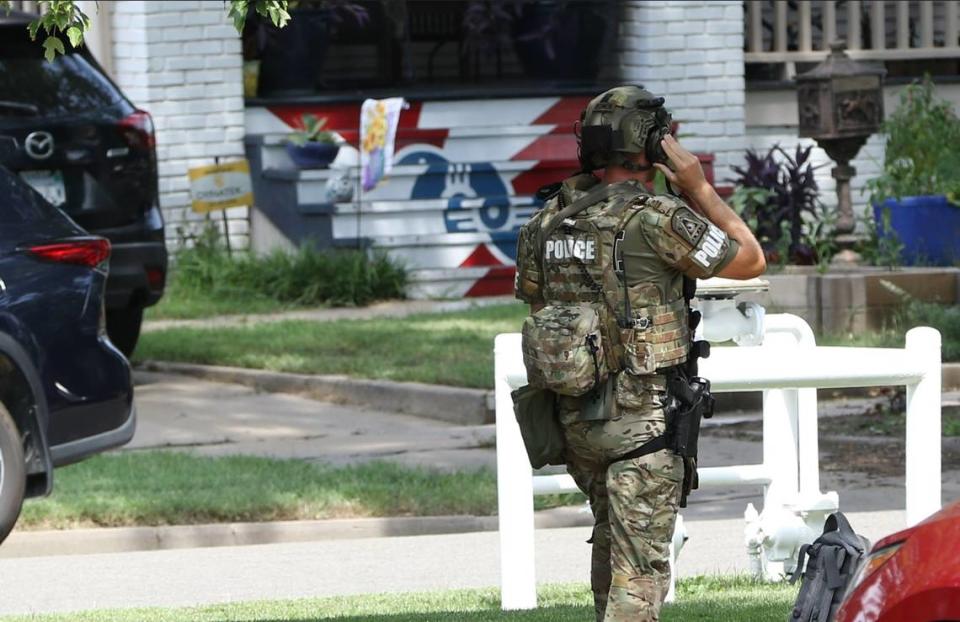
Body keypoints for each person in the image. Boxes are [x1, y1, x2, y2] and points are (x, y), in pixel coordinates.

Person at [513, 86, 766, 622]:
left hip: (577, 422)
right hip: (643, 426)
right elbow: (749, 258)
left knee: (610, 553)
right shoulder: (657, 218)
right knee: (641, 575)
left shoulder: (546, 223)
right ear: (653, 145)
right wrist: (697, 186)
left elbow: (539, 303)